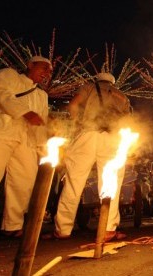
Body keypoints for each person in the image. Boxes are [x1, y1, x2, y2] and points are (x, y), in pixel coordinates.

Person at [0, 56, 52, 246]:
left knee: (24, 181)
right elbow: (3, 96)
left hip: (24, 139)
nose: (47, 73)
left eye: (49, 71)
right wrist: (27, 113)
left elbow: (41, 122)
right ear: (30, 65)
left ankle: (13, 226)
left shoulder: (42, 95)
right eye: (44, 68)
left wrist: (43, 147)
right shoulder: (6, 75)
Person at [45, 72, 131, 242]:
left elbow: (74, 105)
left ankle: (63, 229)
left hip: (87, 135)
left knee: (73, 183)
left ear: (97, 79)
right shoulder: (121, 95)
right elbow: (128, 119)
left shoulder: (88, 87)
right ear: (112, 82)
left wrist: (77, 122)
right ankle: (108, 229)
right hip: (111, 138)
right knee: (111, 183)